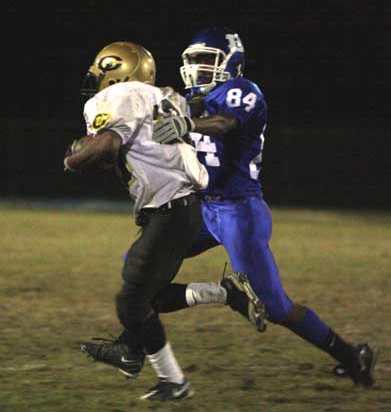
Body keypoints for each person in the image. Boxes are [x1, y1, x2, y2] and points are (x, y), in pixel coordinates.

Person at [151, 27, 379, 389]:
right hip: (203, 208)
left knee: (275, 309)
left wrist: (187, 122)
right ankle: (143, 341)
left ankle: (352, 355)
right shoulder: (188, 100)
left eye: (207, 59)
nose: (198, 68)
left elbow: (224, 123)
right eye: (193, 60)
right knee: (142, 271)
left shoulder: (241, 91)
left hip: (239, 212)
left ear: (231, 62)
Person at [64, 41, 211, 401]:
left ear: (121, 72)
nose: (97, 79)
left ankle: (172, 379)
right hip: (187, 207)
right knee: (149, 294)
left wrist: (71, 159)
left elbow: (106, 145)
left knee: (131, 301)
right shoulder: (165, 97)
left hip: (169, 210)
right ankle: (223, 294)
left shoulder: (119, 95)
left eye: (102, 71)